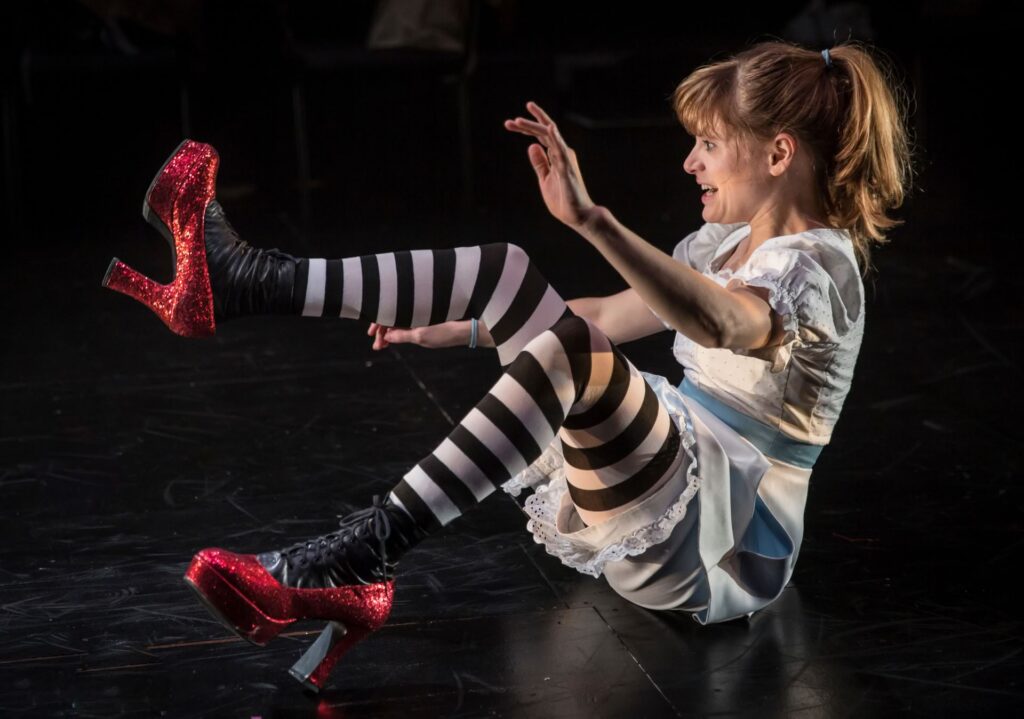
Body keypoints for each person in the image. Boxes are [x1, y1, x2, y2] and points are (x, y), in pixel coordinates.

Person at [101, 39, 912, 693]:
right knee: (508, 268)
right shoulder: (725, 243)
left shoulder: (819, 268)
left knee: (572, 351)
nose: (690, 163)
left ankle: (358, 558)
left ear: (778, 153)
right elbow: (606, 316)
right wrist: (463, 329)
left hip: (720, 543)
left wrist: (593, 220)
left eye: (708, 144)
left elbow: (724, 323)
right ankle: (247, 280)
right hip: (664, 480)